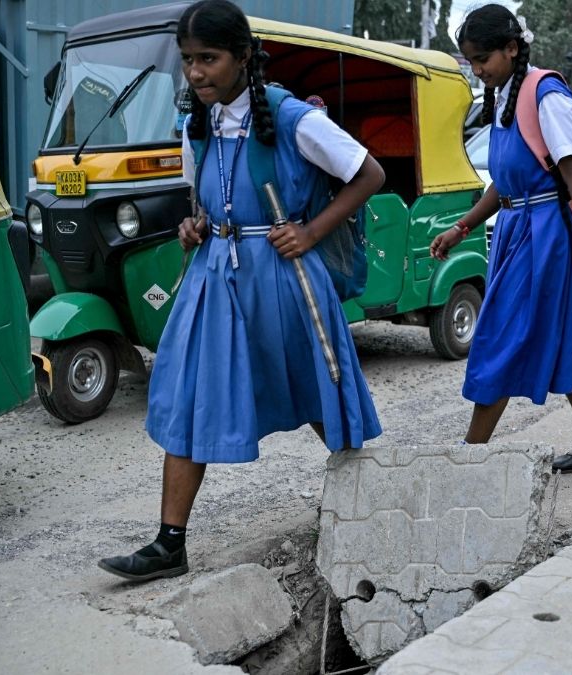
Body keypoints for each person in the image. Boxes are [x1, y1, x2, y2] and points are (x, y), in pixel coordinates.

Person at [99, 0, 386, 582]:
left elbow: (370, 174)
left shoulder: (292, 117)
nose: (196, 72)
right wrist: (193, 224)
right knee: (188, 397)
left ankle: (377, 510)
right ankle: (168, 545)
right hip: (214, 279)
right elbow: (202, 201)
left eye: (209, 58)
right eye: (188, 60)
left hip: (284, 278)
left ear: (245, 58)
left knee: (317, 391)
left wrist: (310, 231)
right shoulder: (195, 125)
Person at [430, 4, 572, 473]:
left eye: (482, 60)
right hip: (517, 231)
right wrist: (462, 227)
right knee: (561, 334)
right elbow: (507, 180)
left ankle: (470, 455)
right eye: (471, 61)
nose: (477, 70)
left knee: (500, 335)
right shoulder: (501, 97)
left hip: (545, 237)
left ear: (512, 48)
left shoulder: (545, 94)